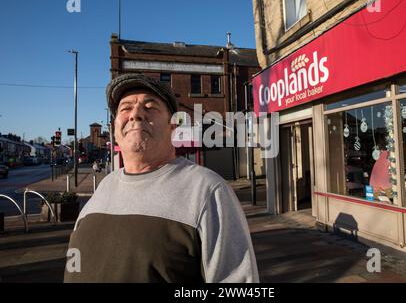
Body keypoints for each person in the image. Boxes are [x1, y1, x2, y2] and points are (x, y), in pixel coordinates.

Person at [64, 73, 259, 283]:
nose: (135, 114)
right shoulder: (104, 188)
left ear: (172, 127)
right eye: (126, 107)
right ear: (114, 129)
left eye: (150, 107)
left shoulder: (207, 191)